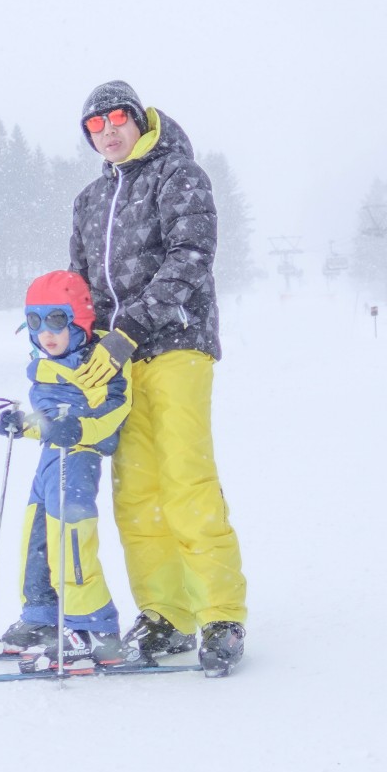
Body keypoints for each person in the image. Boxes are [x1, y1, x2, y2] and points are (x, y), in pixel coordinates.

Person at [65, 80, 249, 676]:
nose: (108, 130)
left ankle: (220, 613)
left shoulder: (178, 176)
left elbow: (190, 257)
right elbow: (82, 285)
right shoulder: (90, 200)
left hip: (176, 344)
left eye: (117, 117)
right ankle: (167, 614)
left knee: (185, 479)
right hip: (115, 361)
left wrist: (135, 326)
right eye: (95, 126)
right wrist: (77, 343)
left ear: (139, 119)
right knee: (135, 492)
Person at [0, 270, 131, 667]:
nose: (46, 332)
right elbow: (52, 420)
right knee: (36, 540)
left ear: (79, 321)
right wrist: (24, 424)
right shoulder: (43, 363)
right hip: (51, 462)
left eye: (56, 320)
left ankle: (94, 630)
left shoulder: (100, 363)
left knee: (71, 543)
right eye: (35, 322)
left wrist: (80, 427)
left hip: (79, 461)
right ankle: (44, 618)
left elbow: (115, 411)